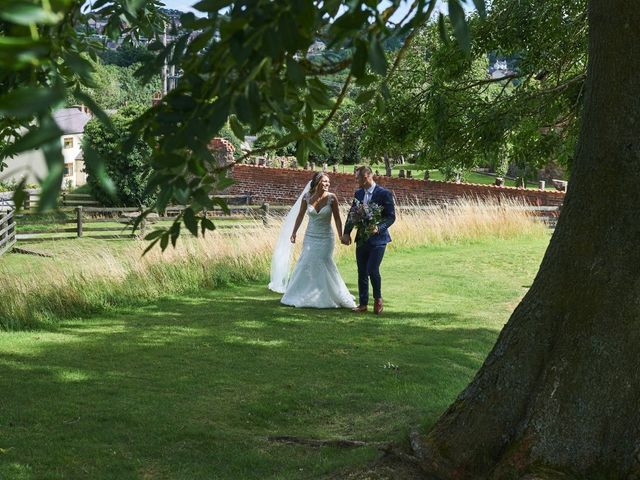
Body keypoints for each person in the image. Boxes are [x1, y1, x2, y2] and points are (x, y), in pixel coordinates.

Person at [268, 172, 356, 309]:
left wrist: (340, 235)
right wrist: (294, 233)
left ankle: (326, 295)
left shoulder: (332, 198)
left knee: (323, 262)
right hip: (310, 236)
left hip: (326, 237)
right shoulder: (307, 197)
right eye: (324, 181)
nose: (327, 184)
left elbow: (337, 219)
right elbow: (300, 216)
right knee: (306, 262)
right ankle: (303, 294)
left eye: (328, 182)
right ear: (316, 182)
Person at [341, 166, 395, 314]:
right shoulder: (358, 193)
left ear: (366, 176)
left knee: (372, 269)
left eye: (357, 177)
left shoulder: (384, 194)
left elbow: (391, 217)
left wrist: (379, 227)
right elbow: (352, 214)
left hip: (379, 239)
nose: (355, 180)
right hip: (362, 239)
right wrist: (346, 233)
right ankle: (363, 304)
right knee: (362, 271)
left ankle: (378, 300)